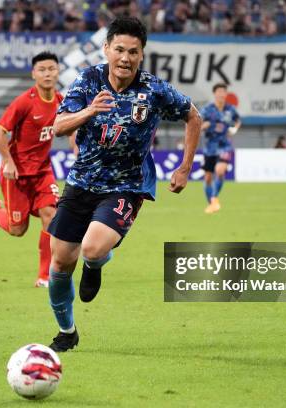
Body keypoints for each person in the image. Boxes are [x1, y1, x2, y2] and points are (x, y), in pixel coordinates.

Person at [46, 17, 202, 352]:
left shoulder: (154, 90)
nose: (125, 58)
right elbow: (59, 126)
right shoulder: (88, 81)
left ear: (142, 54)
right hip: (82, 181)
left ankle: (95, 263)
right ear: (107, 49)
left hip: (127, 185)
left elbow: (194, 116)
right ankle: (67, 331)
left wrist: (185, 167)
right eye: (119, 49)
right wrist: (89, 111)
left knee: (91, 248)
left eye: (133, 51)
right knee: (59, 263)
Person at [0, 52, 70, 288]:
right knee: (17, 229)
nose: (47, 73)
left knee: (52, 216)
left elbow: (72, 130)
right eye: (42, 69)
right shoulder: (24, 102)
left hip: (42, 172)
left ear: (58, 71)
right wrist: (8, 161)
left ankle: (44, 276)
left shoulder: (61, 101)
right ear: (34, 74)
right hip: (16, 174)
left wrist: (78, 151)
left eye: (51, 69)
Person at [200, 83, 241, 215]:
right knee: (207, 178)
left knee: (220, 171)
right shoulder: (207, 109)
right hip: (210, 147)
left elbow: (238, 120)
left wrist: (234, 129)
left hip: (224, 145)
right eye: (219, 91)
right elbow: (197, 123)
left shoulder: (231, 109)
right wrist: (203, 126)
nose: (221, 94)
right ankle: (212, 203)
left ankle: (213, 198)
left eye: (224, 92)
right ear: (215, 93)